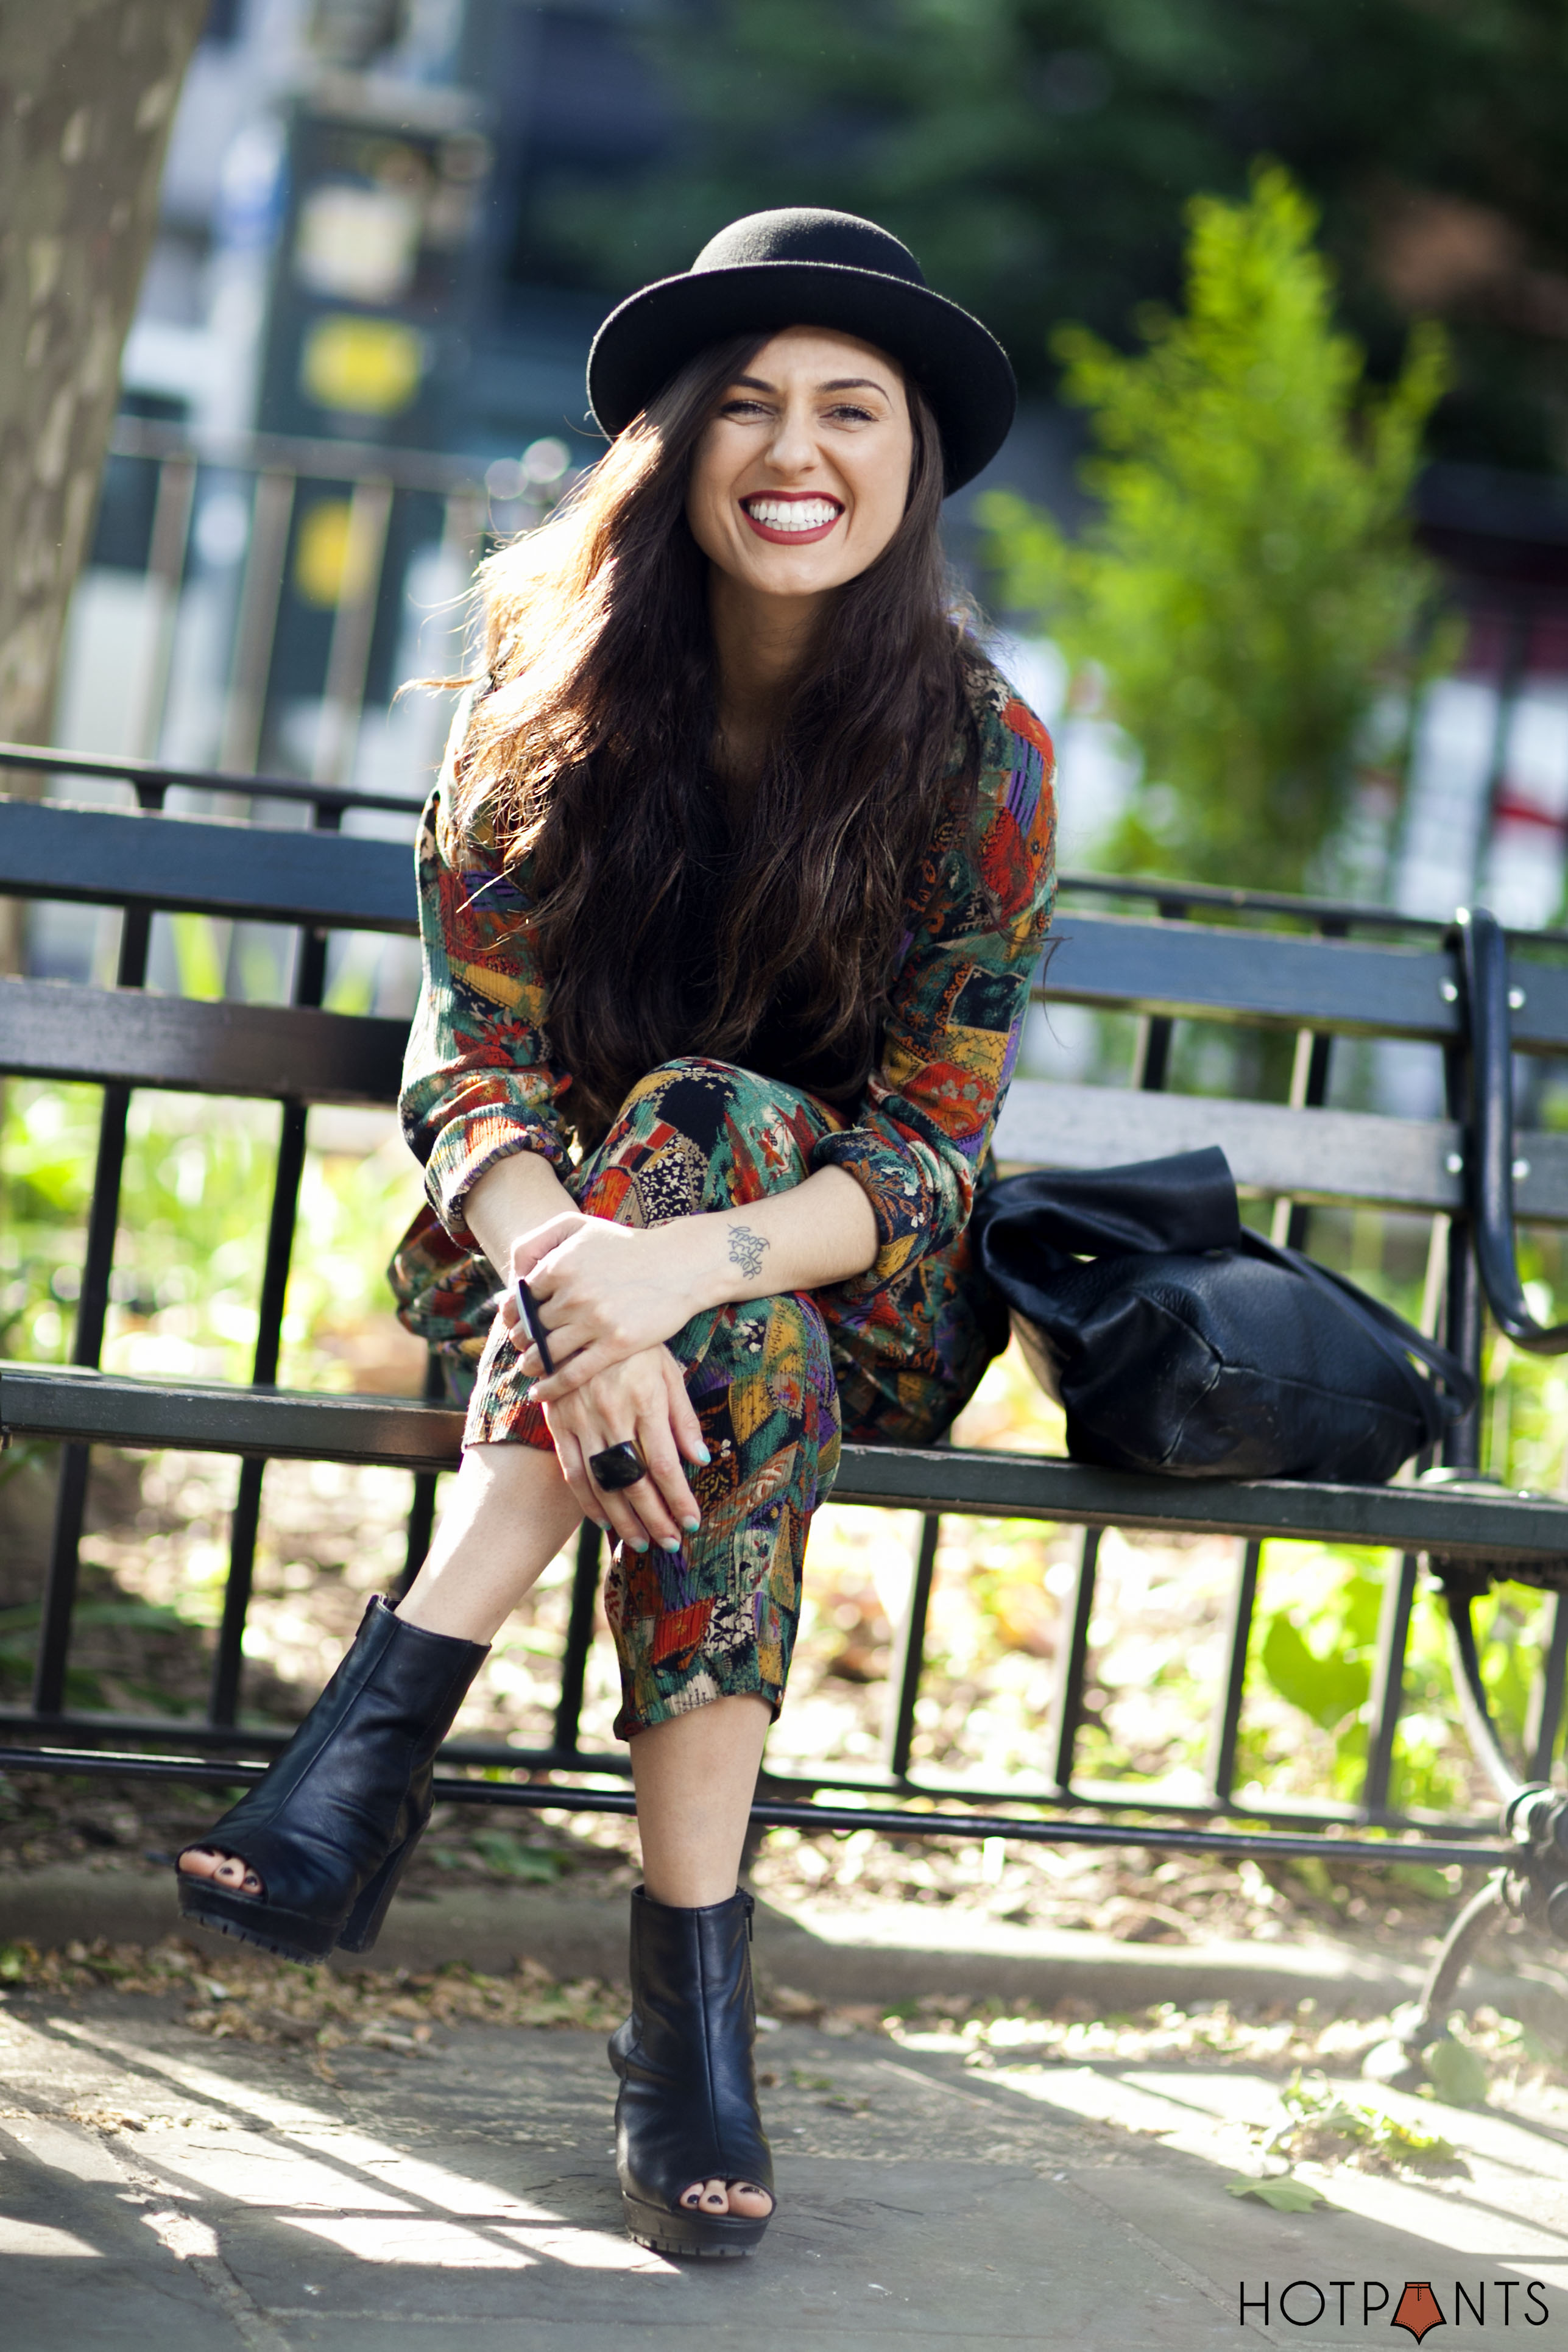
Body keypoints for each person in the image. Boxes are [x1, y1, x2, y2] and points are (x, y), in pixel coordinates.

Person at [175, 207, 1055, 2259]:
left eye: (852, 408)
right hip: (542, 1259)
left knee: (715, 1133)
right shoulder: (545, 689)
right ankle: (688, 2029)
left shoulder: (976, 755)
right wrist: (598, 1272)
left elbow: (934, 1147)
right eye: (743, 405)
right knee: (672, 1161)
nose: (795, 448)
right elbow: (464, 1064)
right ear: (669, 449)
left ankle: (378, 1737)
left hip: (847, 1286)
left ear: (913, 465)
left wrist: (674, 1262)